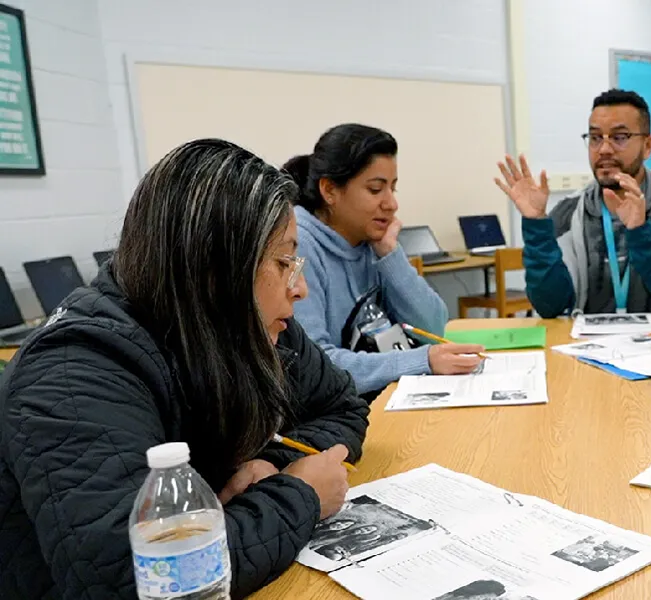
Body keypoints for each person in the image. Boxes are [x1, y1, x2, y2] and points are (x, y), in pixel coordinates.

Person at [0, 139, 370, 598]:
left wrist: (274, 464)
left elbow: (343, 407)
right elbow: (132, 578)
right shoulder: (73, 373)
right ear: (217, 272)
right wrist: (301, 496)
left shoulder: (248, 320)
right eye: (283, 261)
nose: (301, 289)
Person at [284, 124, 483, 398]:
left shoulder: (369, 241)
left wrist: (390, 254)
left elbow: (433, 327)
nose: (391, 204)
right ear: (329, 190)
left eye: (393, 188)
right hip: (337, 412)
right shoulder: (299, 246)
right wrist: (420, 361)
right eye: (376, 189)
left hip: (382, 396)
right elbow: (315, 367)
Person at [495, 89, 651, 316]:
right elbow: (550, 306)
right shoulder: (568, 213)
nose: (604, 149)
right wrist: (535, 223)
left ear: (648, 146)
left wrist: (640, 231)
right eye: (595, 138)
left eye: (619, 137)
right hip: (584, 345)